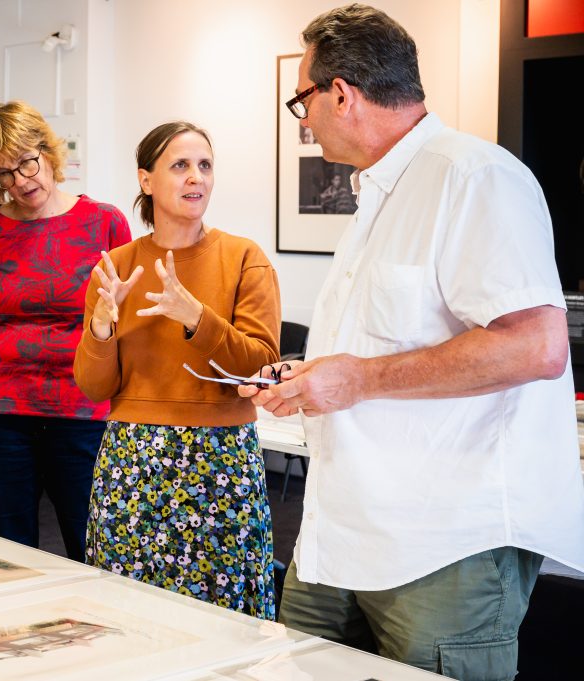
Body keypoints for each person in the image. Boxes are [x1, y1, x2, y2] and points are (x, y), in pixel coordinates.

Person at [243, 5, 584, 677]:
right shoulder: (380, 195)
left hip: (445, 541)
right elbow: (382, 346)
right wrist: (310, 376)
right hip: (347, 527)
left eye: (301, 100)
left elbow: (536, 347)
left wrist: (358, 378)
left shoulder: (473, 179)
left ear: (340, 93)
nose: (303, 119)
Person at [74, 121, 281, 618]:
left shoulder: (244, 258)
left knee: (225, 614)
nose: (197, 178)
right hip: (134, 459)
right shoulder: (116, 266)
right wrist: (101, 329)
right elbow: (94, 386)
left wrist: (196, 318)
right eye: (181, 165)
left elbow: (261, 366)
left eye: (205, 166)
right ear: (146, 180)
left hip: (221, 460)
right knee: (132, 615)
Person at [0, 101, 132, 562]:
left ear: (49, 153)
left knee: (92, 543)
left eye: (26, 163)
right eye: (3, 175)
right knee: (8, 552)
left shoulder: (104, 223)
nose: (20, 182)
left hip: (81, 404)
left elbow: (122, 317)